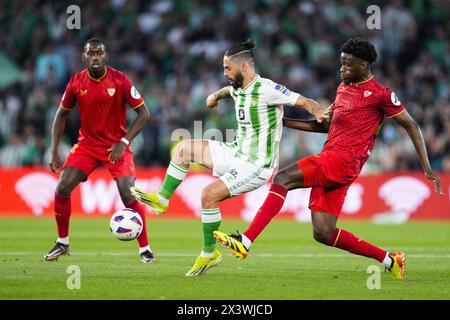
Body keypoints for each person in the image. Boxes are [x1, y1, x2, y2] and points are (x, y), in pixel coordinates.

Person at [214, 37, 443, 280]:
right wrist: (283, 122)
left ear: (364, 66)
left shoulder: (381, 95)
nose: (341, 69)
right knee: (323, 232)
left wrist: (427, 168)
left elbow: (412, 126)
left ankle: (246, 240)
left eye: (347, 65)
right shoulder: (343, 88)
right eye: (341, 64)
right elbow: (326, 126)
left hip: (343, 160)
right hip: (335, 162)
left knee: (282, 178)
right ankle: (390, 260)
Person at [131, 39, 328, 276]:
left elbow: (304, 101)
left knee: (208, 195)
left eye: (227, 68)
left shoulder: (267, 89)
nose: (224, 73)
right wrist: (215, 95)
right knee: (183, 149)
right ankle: (162, 199)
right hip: (235, 152)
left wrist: (317, 111)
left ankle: (208, 255)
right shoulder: (237, 86)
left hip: (256, 165)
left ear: (244, 67)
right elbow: (229, 91)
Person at [44, 38, 154, 263]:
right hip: (87, 145)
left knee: (127, 193)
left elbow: (144, 113)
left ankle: (145, 249)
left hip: (116, 145)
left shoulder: (120, 80)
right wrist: (54, 150)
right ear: (84, 57)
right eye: (90, 53)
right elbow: (60, 114)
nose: (95, 56)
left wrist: (124, 142)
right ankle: (62, 242)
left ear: (106, 56)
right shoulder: (76, 82)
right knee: (62, 187)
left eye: (99, 53)